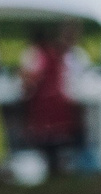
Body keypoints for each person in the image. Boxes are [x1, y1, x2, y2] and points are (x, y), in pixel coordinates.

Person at [19, 23, 87, 173]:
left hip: (44, 106)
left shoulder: (37, 54)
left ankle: (50, 166)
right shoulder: (55, 53)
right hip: (57, 103)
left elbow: (30, 81)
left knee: (48, 140)